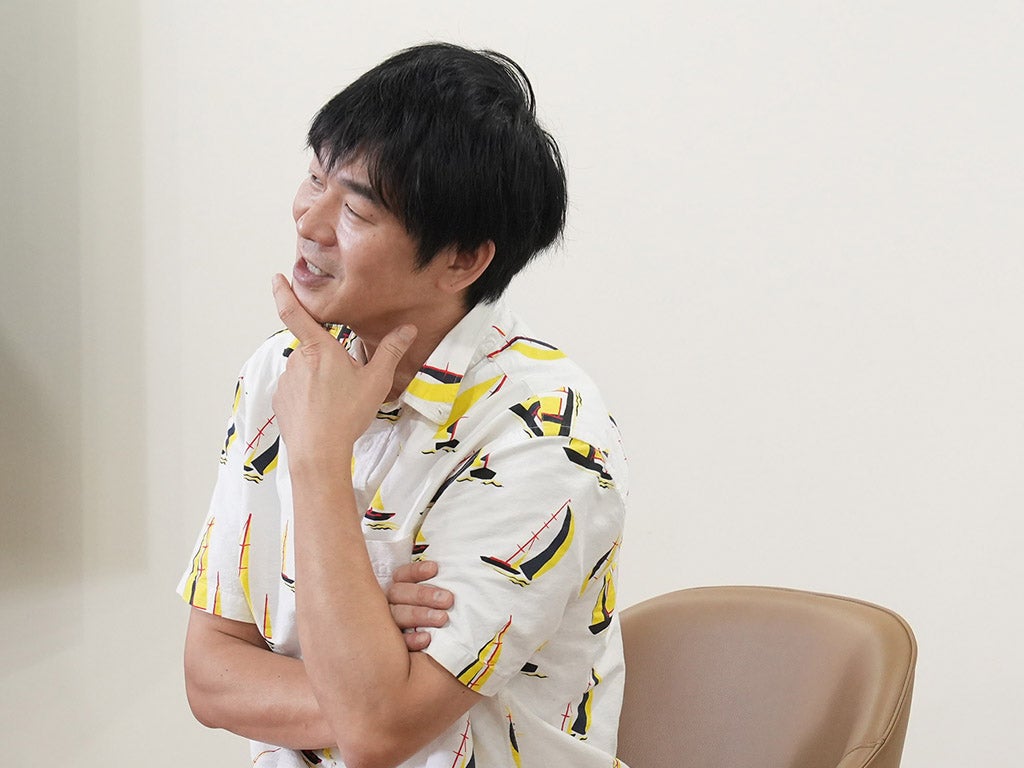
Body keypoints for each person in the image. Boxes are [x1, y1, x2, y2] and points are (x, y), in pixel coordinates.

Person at [178, 43, 628, 768]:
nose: (310, 221)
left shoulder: (546, 430)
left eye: (357, 208)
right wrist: (371, 655)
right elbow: (210, 675)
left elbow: (378, 735)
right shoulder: (283, 371)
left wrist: (319, 460)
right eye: (314, 176)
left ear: (461, 260)